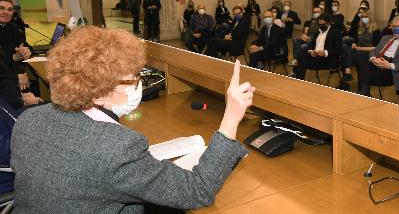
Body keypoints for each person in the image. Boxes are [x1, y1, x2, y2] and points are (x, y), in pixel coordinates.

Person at [11, 26, 254, 213]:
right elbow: (196, 191)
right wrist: (231, 116)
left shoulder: (29, 120)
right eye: (133, 79)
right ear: (99, 90)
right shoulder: (117, 147)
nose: (139, 84)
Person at [356, 16, 399, 98]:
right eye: (394, 26)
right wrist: (373, 59)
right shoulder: (385, 38)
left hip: (392, 68)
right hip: (378, 61)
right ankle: (365, 92)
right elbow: (374, 50)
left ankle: (364, 91)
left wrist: (389, 65)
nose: (396, 28)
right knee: (361, 55)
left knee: (364, 73)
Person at [0, 0, 32, 109]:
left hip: (12, 75)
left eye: (9, 9)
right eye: (2, 8)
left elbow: (22, 47)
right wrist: (17, 75)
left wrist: (24, 52)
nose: (6, 12)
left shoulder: (12, 28)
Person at [292, 14, 342, 80]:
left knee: (301, 62)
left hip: (327, 59)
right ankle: (298, 77)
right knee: (302, 53)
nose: (321, 26)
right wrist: (311, 52)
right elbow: (311, 45)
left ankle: (298, 78)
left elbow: (338, 50)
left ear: (329, 23)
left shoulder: (335, 33)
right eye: (320, 24)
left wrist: (325, 52)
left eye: (323, 24)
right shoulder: (317, 32)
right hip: (316, 57)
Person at [342, 11, 381, 82]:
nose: (364, 19)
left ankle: (361, 81)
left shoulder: (376, 31)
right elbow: (356, 41)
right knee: (345, 48)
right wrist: (354, 44)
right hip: (359, 49)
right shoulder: (360, 29)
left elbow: (376, 47)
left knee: (358, 56)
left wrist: (361, 48)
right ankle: (347, 72)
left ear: (370, 19)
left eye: (366, 17)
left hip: (370, 51)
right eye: (362, 17)